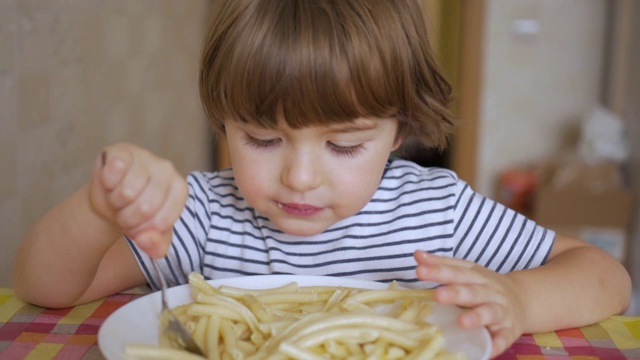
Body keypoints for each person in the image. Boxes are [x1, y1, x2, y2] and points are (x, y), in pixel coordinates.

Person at [13, 0, 630, 357]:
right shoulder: (201, 214)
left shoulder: (436, 212)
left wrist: (518, 301)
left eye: (344, 144)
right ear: (221, 122)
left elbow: (605, 276)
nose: (300, 176)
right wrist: (99, 210)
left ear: (397, 131)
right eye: (261, 139)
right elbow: (49, 288)